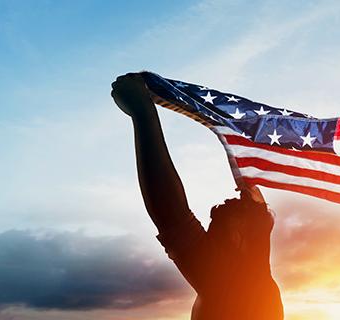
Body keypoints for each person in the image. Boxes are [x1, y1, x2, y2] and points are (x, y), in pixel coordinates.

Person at [111, 73, 284, 319]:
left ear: (236, 238)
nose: (204, 235)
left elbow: (172, 216)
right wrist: (252, 196)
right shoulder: (258, 276)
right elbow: (258, 220)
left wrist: (143, 114)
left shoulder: (230, 286)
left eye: (214, 231)